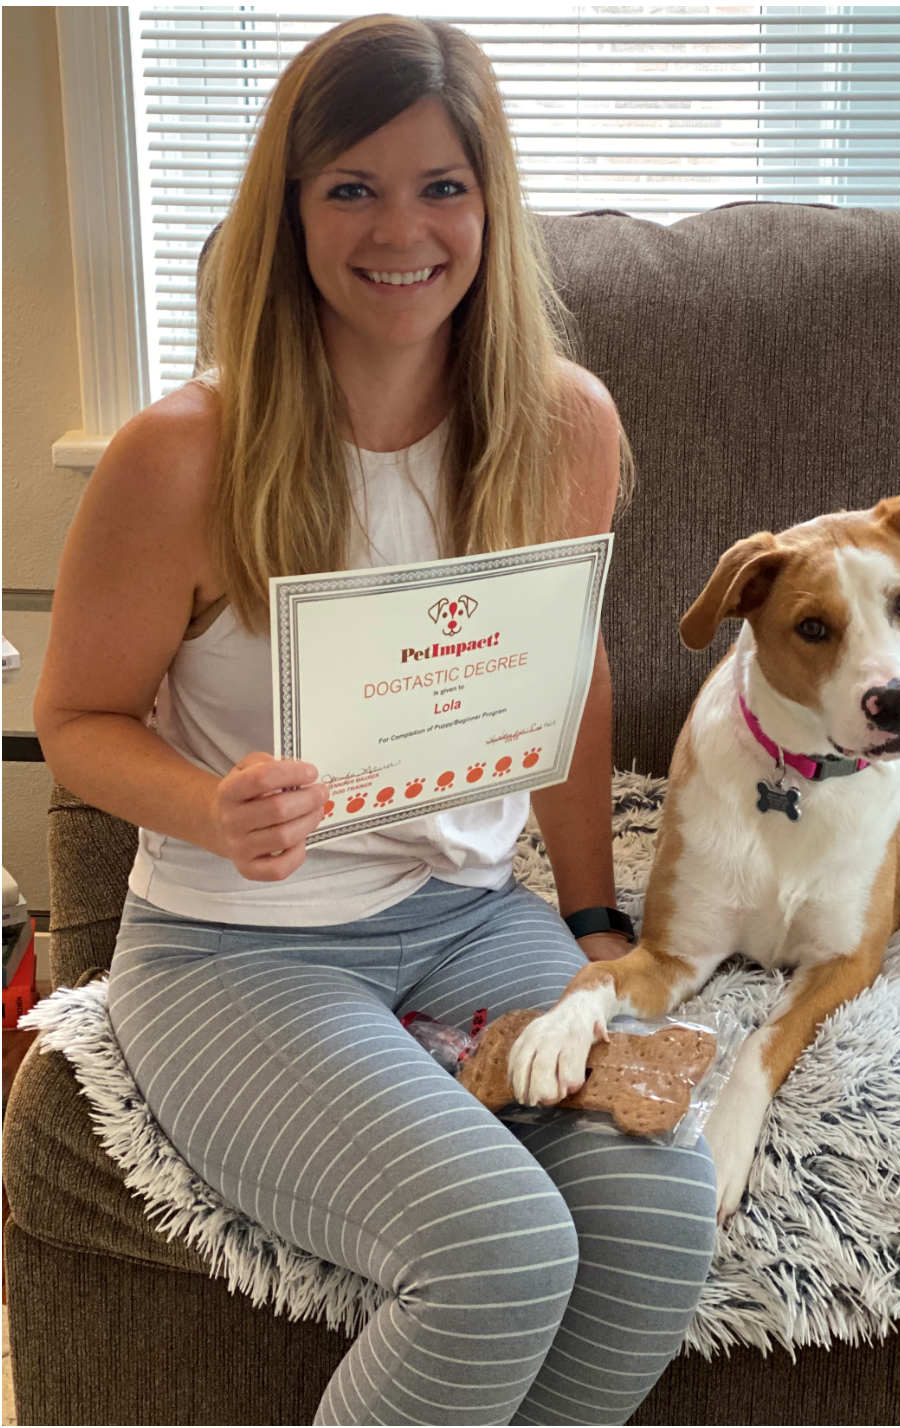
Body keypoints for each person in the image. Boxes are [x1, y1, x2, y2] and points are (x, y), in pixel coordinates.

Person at [35, 15, 717, 1427]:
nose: (399, 229)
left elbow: (563, 677)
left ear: (489, 207)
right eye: (350, 187)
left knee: (657, 1226)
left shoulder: (560, 424)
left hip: (472, 915)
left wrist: (589, 919)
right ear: (287, 213)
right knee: (494, 1248)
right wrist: (207, 804)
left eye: (440, 188)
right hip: (238, 950)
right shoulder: (185, 454)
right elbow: (79, 715)